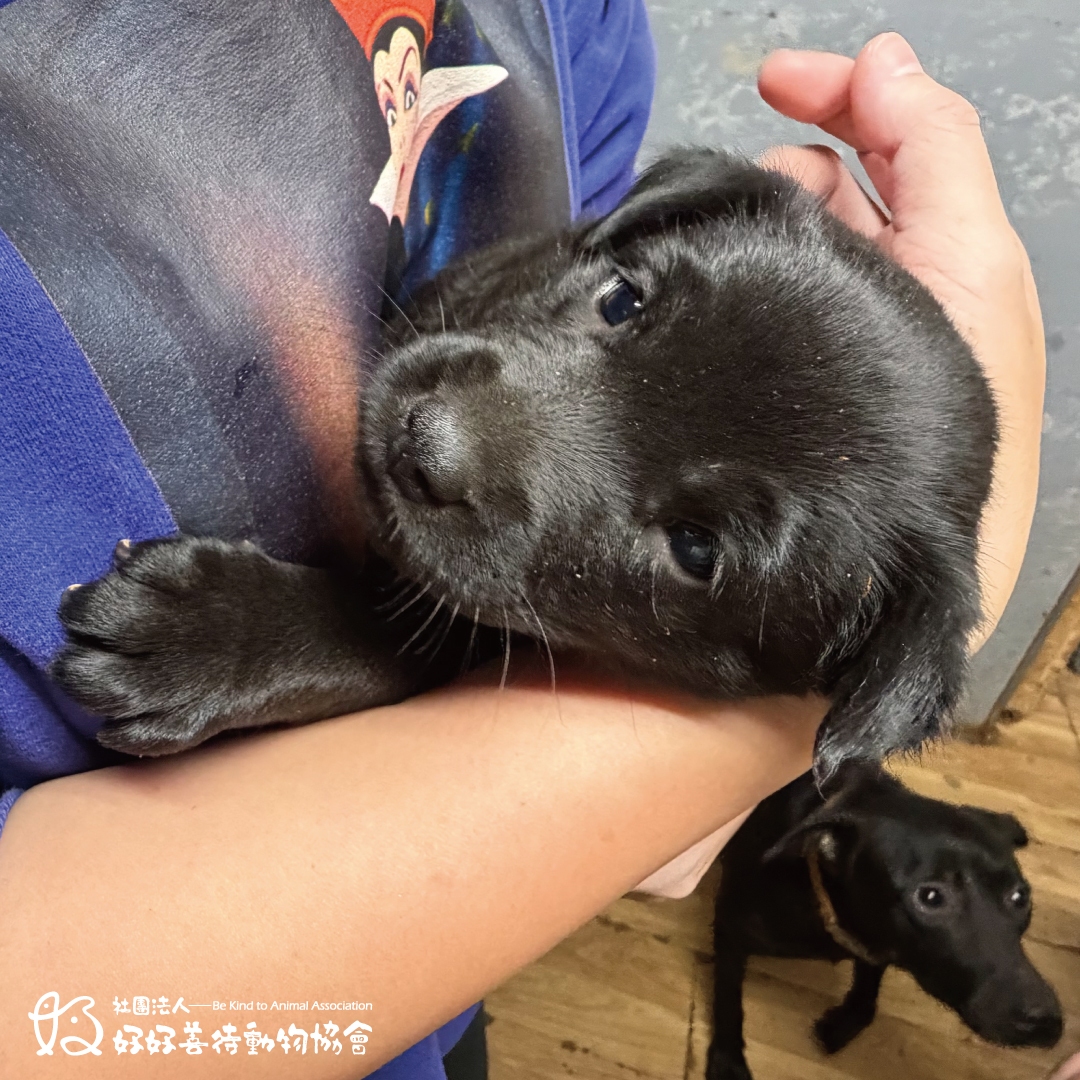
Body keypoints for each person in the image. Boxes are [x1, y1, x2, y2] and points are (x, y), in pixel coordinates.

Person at [0, 16, 1045, 1080]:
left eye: (695, 545)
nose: (452, 436)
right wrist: (685, 771)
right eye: (621, 304)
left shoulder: (571, 24)